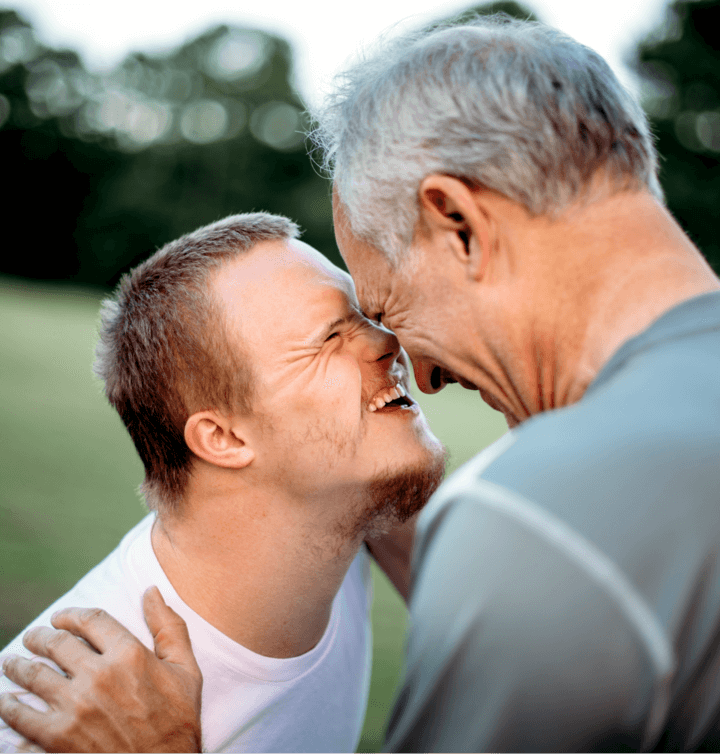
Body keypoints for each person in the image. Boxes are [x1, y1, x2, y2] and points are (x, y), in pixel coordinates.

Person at [2, 11, 720, 752]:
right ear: (219, 435)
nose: (423, 372)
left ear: (461, 224)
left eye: (384, 305)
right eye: (343, 329)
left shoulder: (537, 526)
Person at [0, 213, 446, 753]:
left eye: (366, 314)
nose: (388, 341)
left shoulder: (346, 505)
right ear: (223, 438)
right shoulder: (67, 723)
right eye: (331, 337)